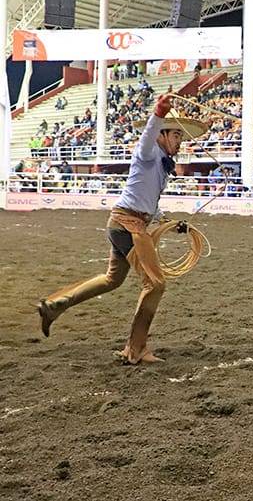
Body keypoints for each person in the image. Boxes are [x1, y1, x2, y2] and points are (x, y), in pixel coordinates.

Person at [37, 95, 209, 364]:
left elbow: (148, 200)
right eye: (176, 135)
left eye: (181, 137)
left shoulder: (160, 164)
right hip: (129, 226)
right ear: (162, 134)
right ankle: (136, 349)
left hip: (123, 223)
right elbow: (146, 138)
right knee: (155, 283)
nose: (180, 141)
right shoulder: (149, 151)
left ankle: (55, 305)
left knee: (112, 280)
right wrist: (158, 114)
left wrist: (167, 221)